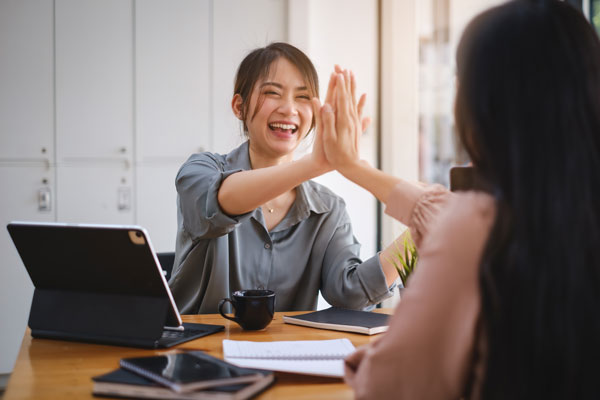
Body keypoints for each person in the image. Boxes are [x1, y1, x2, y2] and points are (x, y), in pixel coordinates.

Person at [314, 0, 600, 398]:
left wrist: (380, 356)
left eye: (459, 82)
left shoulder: (477, 226)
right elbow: (439, 211)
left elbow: (394, 386)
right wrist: (353, 166)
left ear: (488, 105)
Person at [168, 42, 401, 314]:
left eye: (302, 97)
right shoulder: (200, 171)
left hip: (285, 354)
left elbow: (350, 293)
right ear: (239, 107)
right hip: (196, 351)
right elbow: (221, 201)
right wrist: (313, 165)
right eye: (272, 93)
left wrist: (419, 235)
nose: (289, 109)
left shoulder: (328, 208)